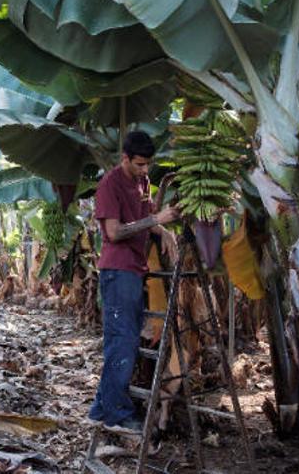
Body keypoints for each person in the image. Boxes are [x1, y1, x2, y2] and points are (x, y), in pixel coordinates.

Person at [88, 130, 179, 434]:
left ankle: (102, 407)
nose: (145, 171)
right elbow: (113, 232)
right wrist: (157, 222)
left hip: (135, 270)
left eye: (148, 165)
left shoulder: (143, 182)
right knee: (123, 341)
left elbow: (149, 216)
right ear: (124, 158)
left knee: (123, 340)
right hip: (118, 271)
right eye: (139, 164)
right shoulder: (109, 184)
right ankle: (117, 413)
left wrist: (163, 232)